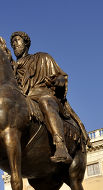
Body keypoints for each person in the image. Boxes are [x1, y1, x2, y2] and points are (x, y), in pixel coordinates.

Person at [10, 31, 90, 163]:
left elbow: (60, 75)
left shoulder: (42, 58)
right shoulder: (12, 68)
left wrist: (59, 80)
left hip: (43, 95)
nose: (14, 44)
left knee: (45, 102)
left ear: (26, 43)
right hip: (24, 99)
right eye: (12, 43)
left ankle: (60, 146)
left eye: (17, 41)